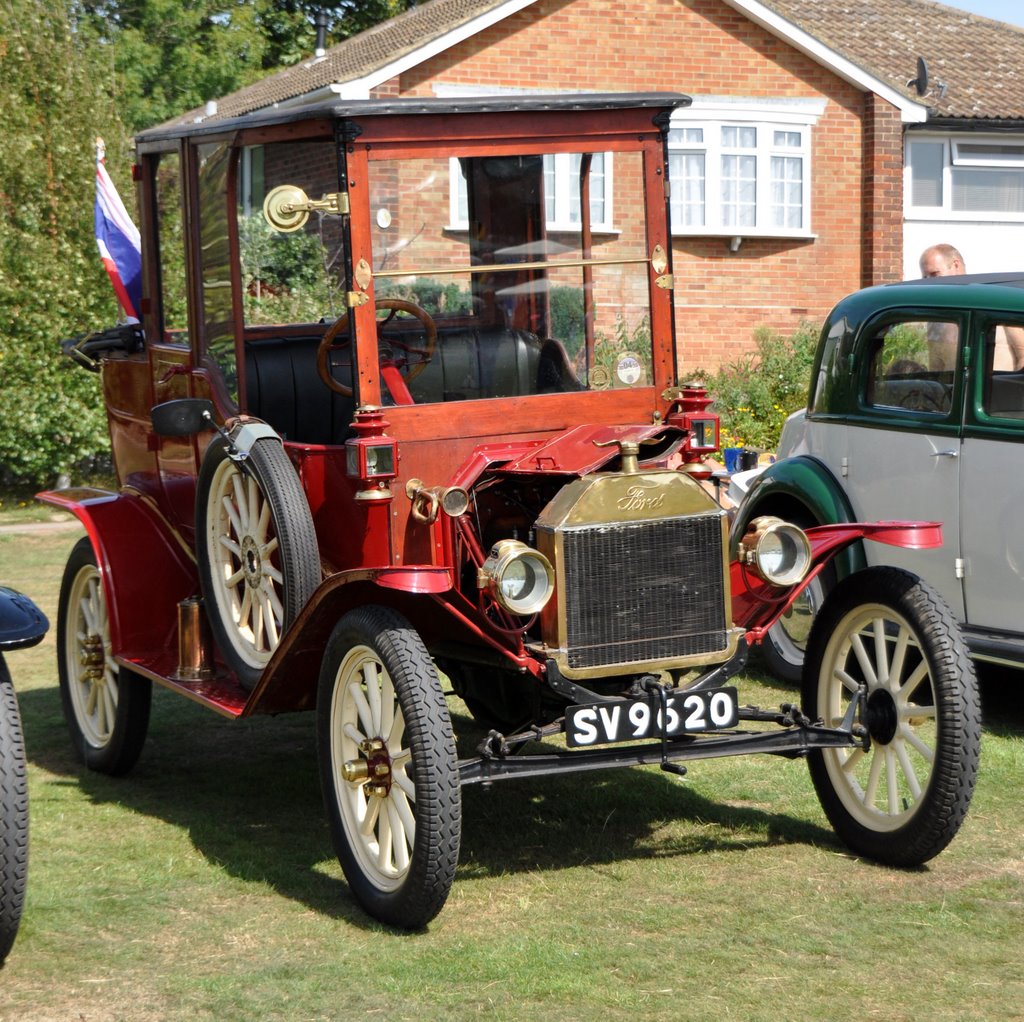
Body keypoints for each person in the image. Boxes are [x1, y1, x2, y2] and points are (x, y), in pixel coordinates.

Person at [918, 244, 1024, 372]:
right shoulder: (936, 318)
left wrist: (1012, 390)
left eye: (934, 274)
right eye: (925, 277)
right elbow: (936, 371)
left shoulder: (996, 302)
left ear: (956, 265)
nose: (929, 282)